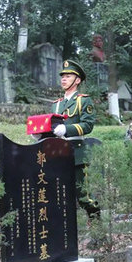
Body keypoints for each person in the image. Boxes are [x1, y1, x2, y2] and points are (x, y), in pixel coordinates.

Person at [51, 60, 101, 219]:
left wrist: (68, 129)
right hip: (58, 153)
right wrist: (41, 134)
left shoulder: (83, 100)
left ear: (77, 80)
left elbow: (88, 125)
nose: (64, 79)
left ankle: (96, 223)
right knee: (60, 194)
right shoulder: (56, 105)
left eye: (68, 76)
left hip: (76, 152)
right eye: (62, 76)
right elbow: (51, 126)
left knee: (84, 195)